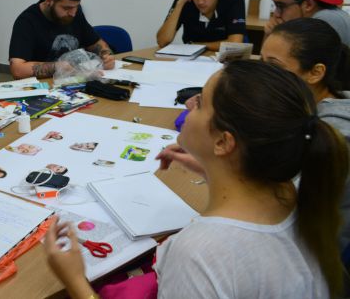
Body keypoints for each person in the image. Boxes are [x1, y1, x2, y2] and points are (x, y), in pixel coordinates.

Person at [46, 60, 348, 298]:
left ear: (224, 143)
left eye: (201, 103)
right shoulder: (291, 193)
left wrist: (76, 282)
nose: (189, 104)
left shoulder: (199, 254)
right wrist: (210, 165)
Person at [261, 17, 350, 251]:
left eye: (274, 67)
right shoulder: (307, 105)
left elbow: (281, 204)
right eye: (261, 62)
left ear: (315, 72)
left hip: (321, 250)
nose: (261, 76)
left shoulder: (334, 134)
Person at [9, 0, 115, 79]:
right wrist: (57, 67)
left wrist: (106, 54)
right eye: (66, 8)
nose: (73, 13)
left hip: (73, 81)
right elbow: (17, 70)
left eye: (76, 6)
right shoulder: (27, 21)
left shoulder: (74, 13)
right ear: (49, 0)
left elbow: (96, 43)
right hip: (43, 85)